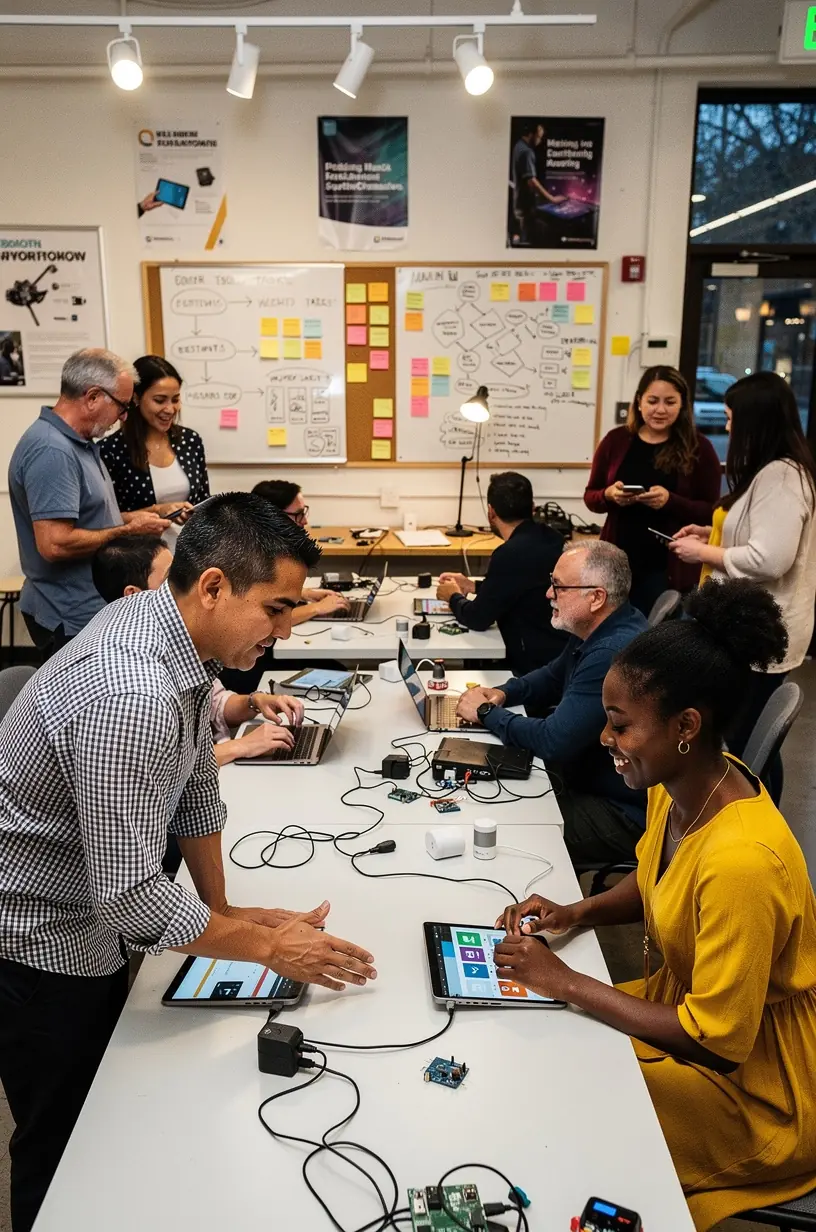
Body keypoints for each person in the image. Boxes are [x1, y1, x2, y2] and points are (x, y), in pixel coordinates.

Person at [0, 492, 376, 1232]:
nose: (282, 629)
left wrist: (226, 911)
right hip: (37, 940)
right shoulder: (129, 692)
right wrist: (272, 949)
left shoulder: (166, 630)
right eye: (274, 609)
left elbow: (196, 785)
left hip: (86, 914)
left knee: (113, 1119)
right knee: (65, 1134)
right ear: (212, 587)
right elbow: (134, 898)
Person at [495, 579, 816, 1231]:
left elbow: (716, 1042)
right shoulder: (681, 781)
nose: (606, 739)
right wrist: (577, 912)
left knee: (578, 1116)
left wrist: (569, 981)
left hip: (753, 1087)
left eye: (621, 725)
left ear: (685, 726)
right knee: (552, 1051)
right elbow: (657, 878)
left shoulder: (743, 860)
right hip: (691, 1013)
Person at [670, 370, 816, 802]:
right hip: (755, 625)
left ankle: (758, 819)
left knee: (753, 744)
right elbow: (756, 537)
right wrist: (710, 534)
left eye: (733, 417)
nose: (728, 426)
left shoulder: (783, 478)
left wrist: (706, 555)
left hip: (763, 629)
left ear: (757, 422)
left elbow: (769, 558)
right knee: (753, 737)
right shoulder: (774, 472)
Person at [456, 541, 648, 864]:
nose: (548, 594)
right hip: (591, 777)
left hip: (623, 811)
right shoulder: (600, 626)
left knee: (513, 829)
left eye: (558, 586)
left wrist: (486, 712)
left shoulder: (610, 653)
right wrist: (504, 693)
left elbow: (552, 740)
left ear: (596, 597)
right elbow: (553, 675)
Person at [91, 533, 305, 766]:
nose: (184, 583)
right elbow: (167, 766)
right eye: (169, 578)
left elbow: (216, 704)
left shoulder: (181, 642)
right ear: (133, 594)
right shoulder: (136, 690)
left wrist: (254, 702)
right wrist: (239, 746)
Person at [8, 348, 169, 657]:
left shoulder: (78, 444)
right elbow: (54, 543)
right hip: (68, 612)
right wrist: (127, 532)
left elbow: (88, 517)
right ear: (93, 396)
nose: (123, 417)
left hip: (83, 605)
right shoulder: (52, 451)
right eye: (122, 406)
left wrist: (140, 517)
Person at [584, 365, 721, 616]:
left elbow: (711, 512)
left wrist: (671, 501)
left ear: (682, 405)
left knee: (656, 640)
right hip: (617, 562)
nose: (660, 409)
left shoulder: (699, 447)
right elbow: (591, 497)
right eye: (652, 401)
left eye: (670, 402)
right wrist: (609, 495)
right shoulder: (616, 440)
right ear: (638, 402)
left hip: (668, 567)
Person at [435, 471, 567, 675]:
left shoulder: (509, 554)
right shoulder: (553, 538)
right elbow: (523, 587)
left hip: (530, 664)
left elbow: (478, 618)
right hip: (558, 651)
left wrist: (452, 596)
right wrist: (474, 586)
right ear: (532, 508)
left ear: (491, 511)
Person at [100, 355, 210, 549]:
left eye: (175, 400)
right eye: (159, 400)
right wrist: (158, 510)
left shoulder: (190, 441)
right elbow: (105, 519)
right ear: (136, 398)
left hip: (189, 556)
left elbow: (203, 502)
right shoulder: (111, 450)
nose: (170, 409)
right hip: (139, 561)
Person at [252, 479, 351, 622]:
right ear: (273, 517)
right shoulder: (250, 558)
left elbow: (269, 594)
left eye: (304, 512)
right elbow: (265, 620)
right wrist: (316, 608)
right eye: (298, 514)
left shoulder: (271, 547)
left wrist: (304, 594)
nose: (304, 521)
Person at [509, 120, 565, 246]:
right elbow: (531, 181)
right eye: (539, 137)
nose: (540, 141)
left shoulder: (518, 145)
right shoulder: (527, 152)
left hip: (519, 205)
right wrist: (552, 199)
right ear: (531, 134)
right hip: (525, 209)